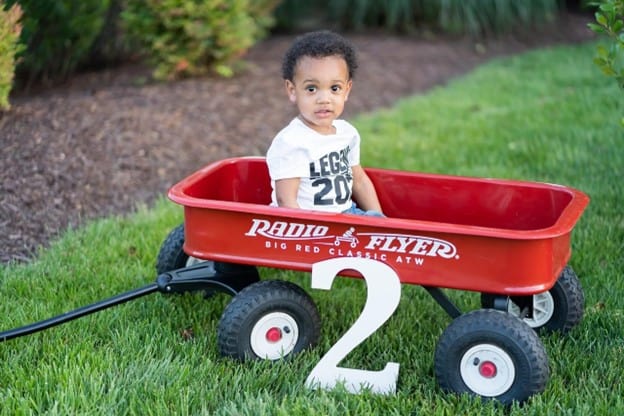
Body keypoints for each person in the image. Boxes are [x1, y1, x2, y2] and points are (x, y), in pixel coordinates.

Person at [266, 30, 384, 217]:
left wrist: (380, 220)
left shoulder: (347, 133)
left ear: (347, 90)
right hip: (310, 224)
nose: (324, 99)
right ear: (292, 90)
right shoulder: (291, 142)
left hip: (346, 214)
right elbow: (286, 201)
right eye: (312, 89)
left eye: (334, 88)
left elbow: (359, 180)